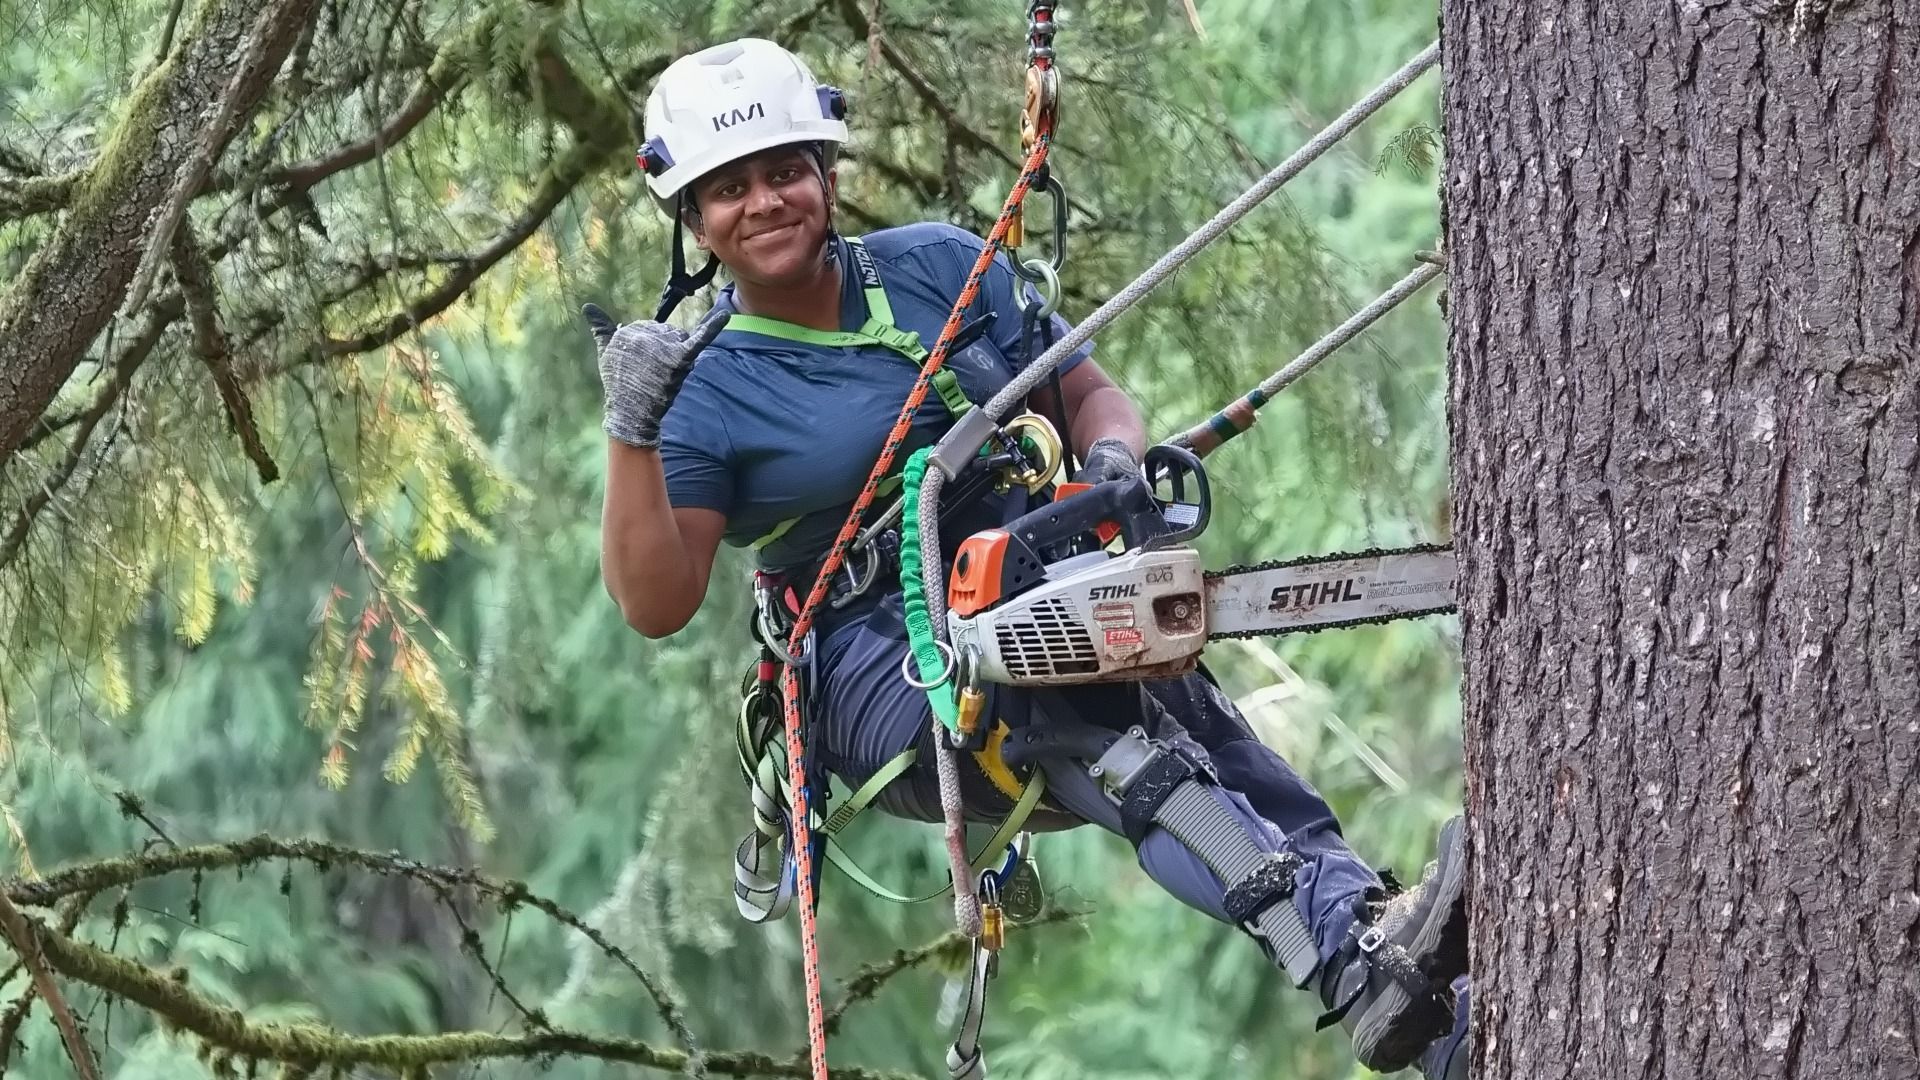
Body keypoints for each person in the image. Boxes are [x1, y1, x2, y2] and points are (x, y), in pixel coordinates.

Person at [589, 37, 1471, 1078]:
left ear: (824, 171)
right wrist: (632, 435)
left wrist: (1111, 462)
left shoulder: (936, 268)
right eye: (729, 189)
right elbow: (655, 601)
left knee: (1206, 732)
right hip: (875, 665)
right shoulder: (704, 386)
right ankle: (1342, 957)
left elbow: (1090, 395)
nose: (768, 201)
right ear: (690, 217)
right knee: (1082, 730)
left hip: (1030, 575)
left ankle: (1417, 998)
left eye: (785, 170)